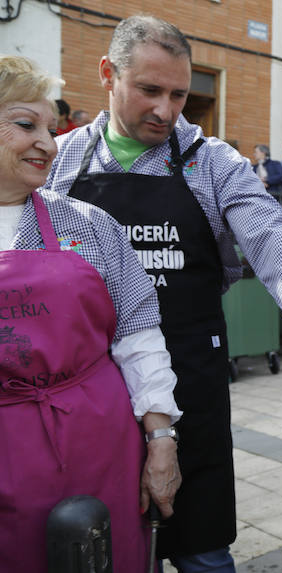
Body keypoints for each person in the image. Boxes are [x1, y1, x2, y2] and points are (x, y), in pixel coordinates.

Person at [44, 16, 282, 573]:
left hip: (191, 380)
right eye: (149, 91)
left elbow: (273, 239)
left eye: (179, 94)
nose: (167, 111)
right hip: (89, 392)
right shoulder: (61, 164)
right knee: (100, 546)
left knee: (204, 552)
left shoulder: (210, 163)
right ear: (107, 75)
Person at [0, 55, 181, 572]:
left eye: (51, 128)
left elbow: (139, 335)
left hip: (100, 443)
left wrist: (161, 441)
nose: (48, 144)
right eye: (25, 124)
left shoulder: (91, 226)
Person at [252, 143, 282, 213]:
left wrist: (266, 180)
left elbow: (281, 176)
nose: (254, 154)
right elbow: (251, 181)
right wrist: (261, 183)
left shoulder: (275, 164)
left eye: (256, 152)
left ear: (263, 153)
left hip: (275, 198)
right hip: (258, 200)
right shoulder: (254, 167)